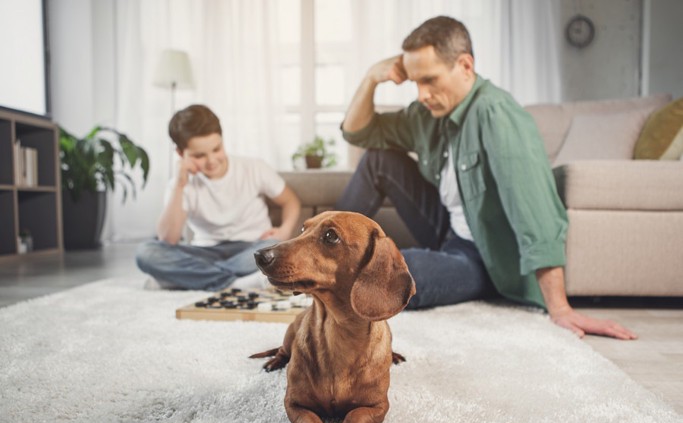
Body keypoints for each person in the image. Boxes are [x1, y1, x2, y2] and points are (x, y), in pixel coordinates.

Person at [335, 16, 636, 340]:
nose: (422, 93)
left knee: (388, 275)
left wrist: (559, 308)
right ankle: (325, 249)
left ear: (465, 66)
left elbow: (534, 211)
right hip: (448, 229)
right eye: (415, 82)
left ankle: (331, 269)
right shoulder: (429, 114)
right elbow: (358, 132)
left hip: (483, 256)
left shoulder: (496, 114)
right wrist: (370, 79)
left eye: (430, 80)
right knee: (378, 160)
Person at [136, 104, 301, 291]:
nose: (211, 160)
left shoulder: (254, 167)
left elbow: (290, 201)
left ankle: (181, 279)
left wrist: (285, 230)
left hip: (252, 248)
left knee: (273, 248)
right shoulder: (180, 185)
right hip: (205, 251)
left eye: (216, 149)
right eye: (199, 155)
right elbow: (168, 239)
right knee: (146, 252)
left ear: (222, 140)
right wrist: (180, 185)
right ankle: (235, 283)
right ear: (181, 154)